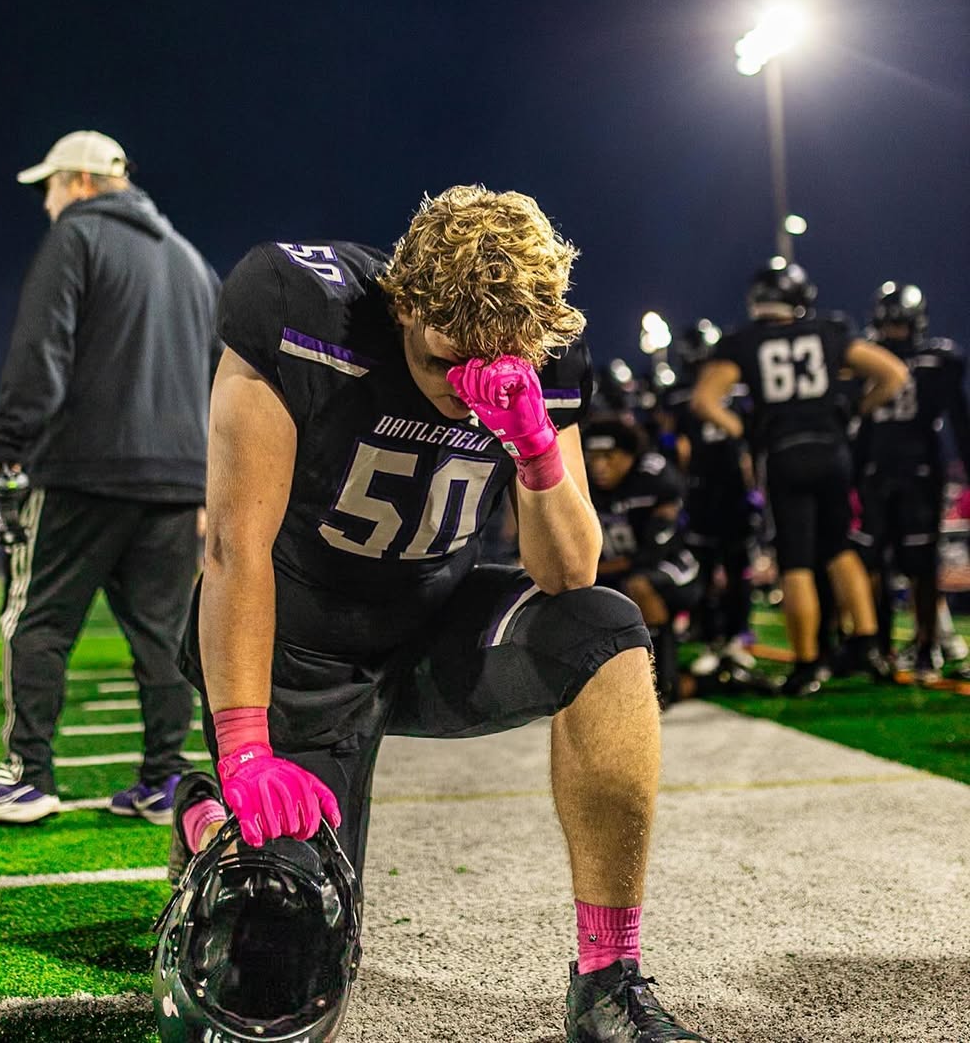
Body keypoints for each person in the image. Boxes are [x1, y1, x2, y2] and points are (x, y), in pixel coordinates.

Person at [165, 186, 713, 1042]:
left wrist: (535, 449)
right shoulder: (303, 309)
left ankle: (608, 980)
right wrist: (244, 747)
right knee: (280, 989)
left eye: (494, 364)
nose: (468, 386)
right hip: (302, 647)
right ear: (406, 304)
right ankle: (209, 822)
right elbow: (236, 546)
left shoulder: (541, 354)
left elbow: (569, 572)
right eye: (448, 360)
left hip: (433, 621)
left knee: (606, 631)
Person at [0, 130, 219, 825]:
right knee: (164, 638)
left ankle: (28, 777)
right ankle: (165, 779)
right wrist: (207, 478)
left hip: (84, 470)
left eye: (49, 187)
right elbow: (218, 377)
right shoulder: (191, 260)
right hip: (177, 481)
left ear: (78, 182)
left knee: (37, 622)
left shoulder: (75, 237)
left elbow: (41, 350)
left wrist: (9, 443)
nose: (47, 202)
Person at [691, 258, 908, 697]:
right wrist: (856, 411)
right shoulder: (827, 331)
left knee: (796, 562)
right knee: (840, 547)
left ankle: (808, 662)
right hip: (831, 449)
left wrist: (746, 431)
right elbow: (894, 375)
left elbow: (705, 400)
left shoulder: (744, 341)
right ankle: (867, 643)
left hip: (784, 454)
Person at [852, 282, 970, 682]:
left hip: (918, 473)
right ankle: (881, 646)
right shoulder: (868, 359)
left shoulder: (935, 361)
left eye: (900, 325)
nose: (894, 333)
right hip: (880, 473)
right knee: (875, 562)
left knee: (920, 564)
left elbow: (958, 419)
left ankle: (926, 645)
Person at [661, 320, 761, 677]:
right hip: (710, 489)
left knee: (731, 568)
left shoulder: (721, 390)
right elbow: (675, 445)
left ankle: (729, 637)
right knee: (713, 569)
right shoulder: (684, 395)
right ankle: (719, 638)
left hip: (722, 488)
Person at [582, 417, 702, 705]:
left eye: (609, 456)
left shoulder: (654, 477)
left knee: (640, 584)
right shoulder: (580, 478)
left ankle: (660, 681)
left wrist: (589, 572)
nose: (599, 465)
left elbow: (651, 554)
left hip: (672, 569)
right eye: (593, 456)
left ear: (629, 456)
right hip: (611, 571)